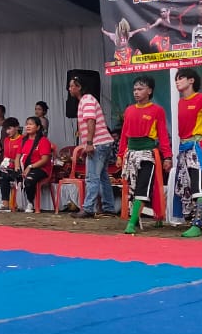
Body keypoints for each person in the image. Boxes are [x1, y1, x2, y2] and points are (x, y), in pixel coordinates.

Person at [117, 76, 172, 234]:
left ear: (149, 91)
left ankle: (132, 223)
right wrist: (120, 154)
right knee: (133, 189)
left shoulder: (157, 110)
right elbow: (124, 135)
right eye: (134, 89)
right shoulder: (129, 110)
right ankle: (147, 217)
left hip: (147, 154)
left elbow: (162, 135)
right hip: (131, 154)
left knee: (143, 187)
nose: (136, 92)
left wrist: (167, 156)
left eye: (140, 89)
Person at [172, 67, 202, 238]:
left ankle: (198, 223)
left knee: (198, 183)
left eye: (181, 78)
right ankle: (194, 219)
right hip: (184, 149)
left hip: (198, 147)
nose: (177, 81)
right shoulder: (180, 102)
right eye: (176, 78)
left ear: (191, 80)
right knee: (187, 186)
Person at [68, 74, 115, 217]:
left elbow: (91, 121)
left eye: (71, 86)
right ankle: (108, 208)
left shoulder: (86, 99)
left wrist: (89, 143)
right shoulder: (86, 100)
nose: (69, 89)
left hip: (98, 143)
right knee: (102, 177)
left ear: (79, 87)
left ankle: (88, 208)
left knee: (92, 177)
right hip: (103, 142)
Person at [0, 117, 23, 211]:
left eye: (9, 128)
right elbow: (6, 156)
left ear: (17, 127)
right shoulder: (6, 140)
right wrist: (2, 164)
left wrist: (12, 162)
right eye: (6, 129)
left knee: (5, 176)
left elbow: (21, 158)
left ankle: (7, 203)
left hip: (19, 168)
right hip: (7, 167)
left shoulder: (22, 139)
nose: (7, 131)